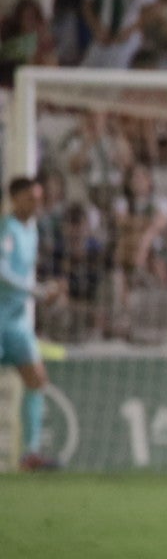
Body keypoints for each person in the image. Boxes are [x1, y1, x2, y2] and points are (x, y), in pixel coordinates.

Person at [1, 177, 61, 470]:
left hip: (16, 322)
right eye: (30, 198)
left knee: (36, 380)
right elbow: (1, 272)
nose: (37, 203)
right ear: (14, 199)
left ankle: (31, 453)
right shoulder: (7, 229)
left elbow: (21, 277)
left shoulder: (32, 230)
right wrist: (36, 290)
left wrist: (42, 293)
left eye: (39, 198)